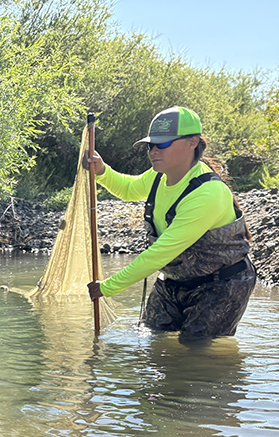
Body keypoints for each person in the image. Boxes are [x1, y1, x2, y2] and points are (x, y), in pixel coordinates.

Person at [84, 106, 255, 341]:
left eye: (162, 144)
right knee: (153, 338)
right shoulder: (158, 175)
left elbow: (159, 254)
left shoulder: (208, 194)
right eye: (150, 145)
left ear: (192, 143)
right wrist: (102, 171)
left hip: (221, 285)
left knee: (195, 349)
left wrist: (106, 287)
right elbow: (129, 188)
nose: (154, 151)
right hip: (175, 280)